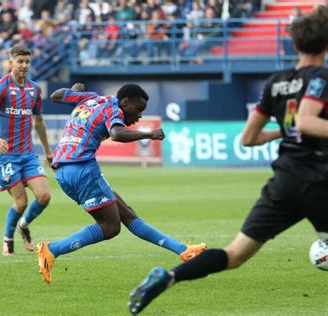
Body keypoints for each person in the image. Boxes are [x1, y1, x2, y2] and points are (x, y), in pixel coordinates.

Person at [128, 6, 328, 314]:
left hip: (284, 183)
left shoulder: (276, 82)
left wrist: (284, 132)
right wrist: (297, 127)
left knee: (234, 254)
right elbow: (305, 121)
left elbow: (248, 138)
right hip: (320, 179)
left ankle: (168, 277)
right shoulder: (322, 78)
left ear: (295, 44)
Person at [36, 83, 207, 284]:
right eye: (139, 109)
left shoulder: (91, 98)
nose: (140, 116)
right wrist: (148, 134)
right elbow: (117, 134)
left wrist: (76, 93)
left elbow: (56, 96)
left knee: (126, 213)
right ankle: (51, 250)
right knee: (110, 227)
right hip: (82, 168)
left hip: (64, 170)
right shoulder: (114, 108)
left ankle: (183, 251)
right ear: (125, 102)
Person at [0, 45, 53, 256]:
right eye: (20, 62)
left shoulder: (34, 90)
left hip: (28, 154)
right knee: (21, 202)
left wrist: (48, 151)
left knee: (45, 196)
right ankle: (8, 238)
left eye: (27, 62)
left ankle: (24, 225)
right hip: (7, 157)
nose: (24, 66)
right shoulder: (1, 87)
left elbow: (39, 122)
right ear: (10, 63)